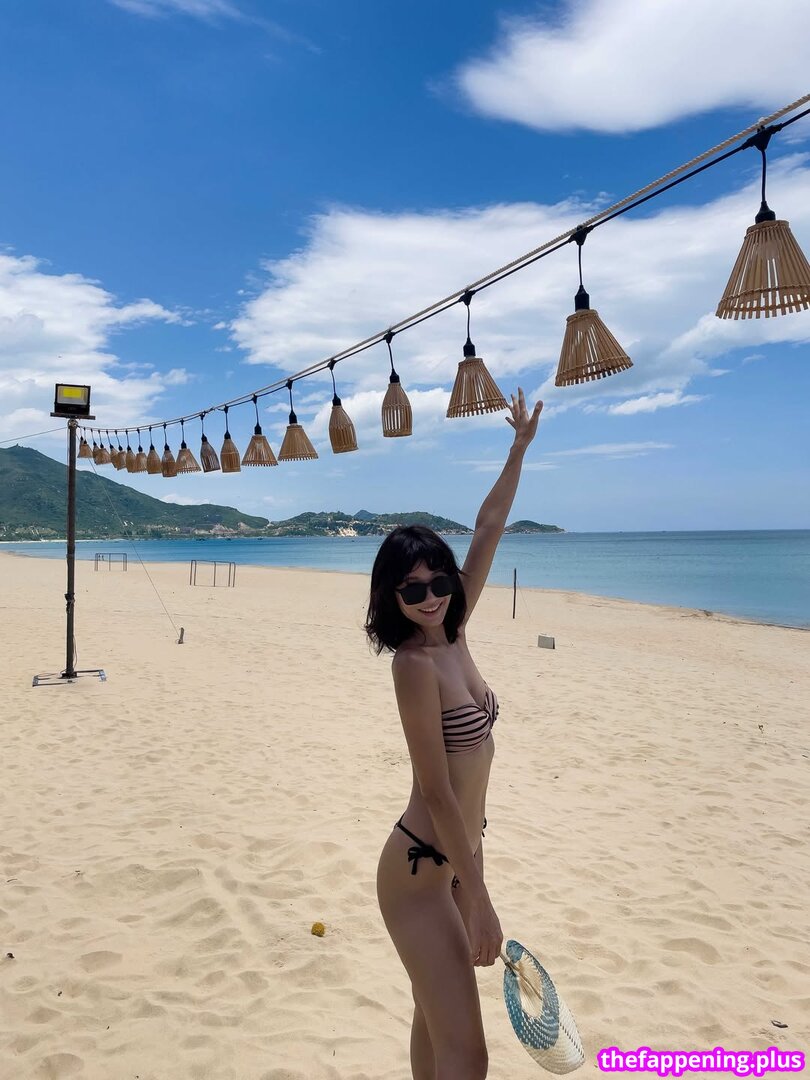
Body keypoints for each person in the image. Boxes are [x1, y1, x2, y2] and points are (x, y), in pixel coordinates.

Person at [366, 388, 544, 1080]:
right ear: (392, 599)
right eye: (412, 590)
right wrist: (483, 905)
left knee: (434, 1022)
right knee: (468, 1056)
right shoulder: (413, 666)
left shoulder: (456, 629)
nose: (431, 597)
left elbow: (490, 525)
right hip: (419, 874)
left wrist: (518, 448)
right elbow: (438, 793)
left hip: (462, 857)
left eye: (438, 580)